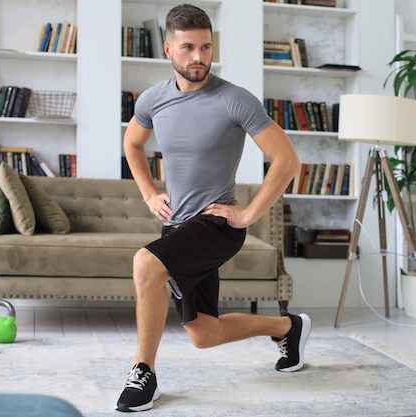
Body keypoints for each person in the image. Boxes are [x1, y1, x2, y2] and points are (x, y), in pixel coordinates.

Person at [116, 4, 311, 413]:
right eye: (188, 47)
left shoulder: (234, 100)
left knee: (146, 264)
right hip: (179, 227)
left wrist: (247, 215)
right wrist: (150, 193)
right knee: (203, 333)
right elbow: (132, 144)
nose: (199, 57)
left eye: (206, 47)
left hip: (217, 225)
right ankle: (288, 327)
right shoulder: (153, 100)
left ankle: (142, 372)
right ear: (168, 48)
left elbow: (287, 160)